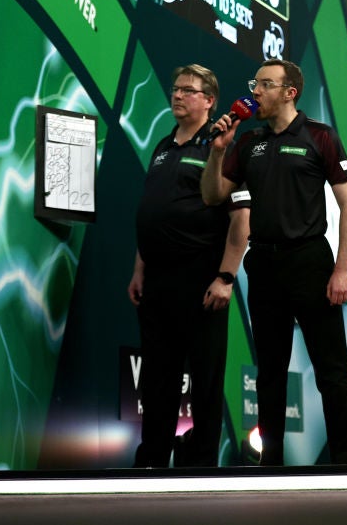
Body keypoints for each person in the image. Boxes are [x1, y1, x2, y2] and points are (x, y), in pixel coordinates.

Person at [201, 59, 347, 466]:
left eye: (265, 84)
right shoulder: (248, 141)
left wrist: (341, 270)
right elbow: (214, 196)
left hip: (310, 261)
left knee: (331, 370)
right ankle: (270, 466)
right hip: (265, 265)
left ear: (290, 92)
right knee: (269, 372)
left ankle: (345, 464)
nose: (255, 91)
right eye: (255, 83)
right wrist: (218, 152)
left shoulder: (320, 137)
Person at [128, 63, 250, 468]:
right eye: (175, 88)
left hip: (201, 283)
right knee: (157, 381)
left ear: (209, 100)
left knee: (206, 384)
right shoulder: (162, 147)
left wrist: (226, 277)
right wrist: (140, 268)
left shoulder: (221, 148)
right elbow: (152, 212)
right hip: (158, 283)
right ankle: (151, 464)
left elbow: (240, 221)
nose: (177, 95)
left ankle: (200, 469)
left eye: (188, 90)